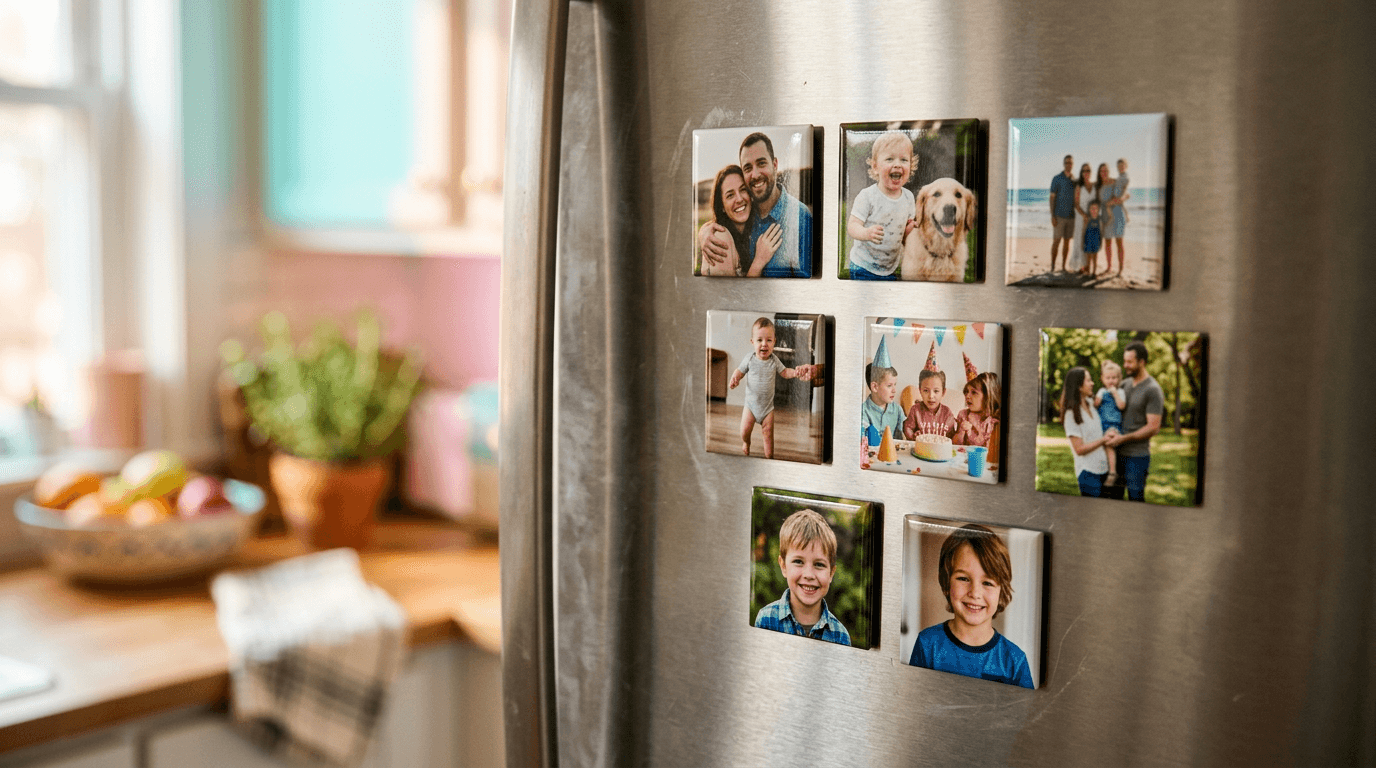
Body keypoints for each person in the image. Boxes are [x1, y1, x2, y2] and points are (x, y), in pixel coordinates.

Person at [908, 524, 1033, 689]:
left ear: (1001, 592)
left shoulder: (1015, 661)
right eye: (963, 579)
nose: (975, 593)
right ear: (946, 582)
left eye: (987, 583)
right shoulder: (928, 644)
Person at [699, 132, 813, 278]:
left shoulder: (800, 218)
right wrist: (704, 232)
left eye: (761, 163)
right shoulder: (743, 217)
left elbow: (805, 291)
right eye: (747, 168)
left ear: (775, 164)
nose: (755, 174)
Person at [754, 508, 851, 646]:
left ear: (831, 573)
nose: (809, 575)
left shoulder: (840, 635)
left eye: (819, 564)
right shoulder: (766, 620)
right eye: (798, 562)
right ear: (783, 566)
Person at [729, 317, 813, 459]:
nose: (764, 344)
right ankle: (746, 442)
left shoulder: (774, 360)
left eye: (769, 340)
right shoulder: (749, 358)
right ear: (752, 342)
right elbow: (740, 371)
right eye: (760, 340)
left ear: (774, 342)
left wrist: (796, 373)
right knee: (744, 431)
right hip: (750, 406)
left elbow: (785, 372)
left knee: (768, 434)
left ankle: (769, 456)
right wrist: (734, 378)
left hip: (767, 408)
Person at [845, 131, 916, 280]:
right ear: (875, 166)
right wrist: (866, 233)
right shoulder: (868, 196)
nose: (897, 164)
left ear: (911, 165)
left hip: (890, 268)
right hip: (863, 267)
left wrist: (911, 229)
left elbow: (904, 235)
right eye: (890, 159)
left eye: (904, 160)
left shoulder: (909, 198)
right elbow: (852, 226)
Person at [1104, 342, 1164, 502]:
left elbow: (1153, 428)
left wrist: (1123, 438)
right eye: (1125, 361)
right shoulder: (1125, 384)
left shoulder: (1153, 389)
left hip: (1136, 458)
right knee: (1112, 500)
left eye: (1129, 362)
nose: (1125, 366)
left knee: (1135, 501)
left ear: (1142, 362)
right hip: (1117, 455)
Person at [696, 165, 779, 277]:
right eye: (730, 195)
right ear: (722, 206)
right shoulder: (720, 239)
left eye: (743, 189)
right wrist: (759, 262)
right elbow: (728, 294)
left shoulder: (754, 230)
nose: (739, 199)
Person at [1060, 366, 1116, 497]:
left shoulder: (1091, 404)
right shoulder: (1071, 414)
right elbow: (1079, 449)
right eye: (1088, 381)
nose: (1093, 383)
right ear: (1079, 386)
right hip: (1088, 474)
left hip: (1103, 469)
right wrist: (1103, 440)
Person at [1094, 360, 1127, 486]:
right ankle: (1103, 471)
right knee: (1101, 448)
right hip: (1100, 425)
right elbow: (1095, 405)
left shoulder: (1120, 392)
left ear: (1119, 379)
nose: (1111, 381)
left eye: (1114, 378)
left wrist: (1115, 393)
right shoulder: (1101, 391)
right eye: (1108, 378)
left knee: (1108, 445)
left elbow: (1121, 406)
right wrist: (1098, 398)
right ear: (1103, 379)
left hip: (1112, 425)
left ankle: (1112, 473)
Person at [904, 364, 956, 440]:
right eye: (926, 391)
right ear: (920, 391)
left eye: (936, 391)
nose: (931, 396)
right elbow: (908, 428)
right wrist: (912, 436)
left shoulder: (947, 413)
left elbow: (952, 437)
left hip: (940, 450)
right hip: (920, 449)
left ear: (943, 392)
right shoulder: (916, 410)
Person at [861, 362, 904, 452]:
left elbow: (901, 439)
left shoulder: (897, 410)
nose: (894, 390)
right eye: (889, 386)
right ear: (875, 387)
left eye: (895, 385)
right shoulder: (863, 411)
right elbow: (862, 443)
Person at [1100, 159, 1131, 276]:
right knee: (1107, 242)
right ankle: (1109, 267)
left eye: (1106, 171)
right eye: (1119, 166)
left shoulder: (1117, 181)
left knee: (1119, 242)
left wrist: (1119, 200)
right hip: (1107, 216)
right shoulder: (1102, 184)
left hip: (1118, 213)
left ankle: (1121, 269)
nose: (1121, 168)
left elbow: (1126, 194)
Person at [953, 371, 1001, 448]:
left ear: (987, 397)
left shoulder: (994, 422)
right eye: (966, 392)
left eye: (974, 392)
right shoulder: (963, 415)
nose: (967, 396)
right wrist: (961, 431)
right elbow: (955, 445)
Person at [1048, 154, 1077, 273]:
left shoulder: (1075, 180)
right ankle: (1053, 266)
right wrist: (1052, 216)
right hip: (1059, 216)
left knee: (1067, 243)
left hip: (1071, 217)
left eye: (1070, 163)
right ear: (1063, 164)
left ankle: (1063, 267)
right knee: (1056, 241)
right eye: (1066, 163)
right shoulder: (1057, 178)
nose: (1068, 165)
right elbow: (1051, 198)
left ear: (1072, 165)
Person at [1069, 163, 1096, 276]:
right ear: (1081, 172)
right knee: (1080, 242)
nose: (1086, 172)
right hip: (1081, 217)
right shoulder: (1079, 187)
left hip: (1092, 218)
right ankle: (1080, 266)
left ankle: (1088, 267)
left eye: (1088, 170)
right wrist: (1084, 215)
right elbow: (1076, 204)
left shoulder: (1094, 185)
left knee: (1089, 242)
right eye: (1084, 170)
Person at [1082, 200, 1104, 277]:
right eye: (1092, 208)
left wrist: (1101, 243)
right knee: (1088, 257)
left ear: (1098, 209)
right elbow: (1084, 231)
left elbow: (1101, 232)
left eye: (1095, 208)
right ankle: (1088, 271)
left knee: (1095, 257)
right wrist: (1082, 242)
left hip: (1096, 241)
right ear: (1089, 209)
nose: (1094, 210)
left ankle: (1094, 272)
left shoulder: (1099, 219)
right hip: (1088, 240)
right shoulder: (1087, 219)